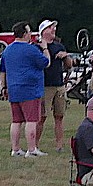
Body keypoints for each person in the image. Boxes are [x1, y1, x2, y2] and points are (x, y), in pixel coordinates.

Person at [0, 21, 51, 157]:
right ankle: (32, 149)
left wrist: (4, 86)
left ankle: (15, 149)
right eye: (29, 32)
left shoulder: (7, 50)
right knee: (31, 120)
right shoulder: (31, 49)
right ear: (24, 34)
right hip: (30, 89)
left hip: (13, 89)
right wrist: (45, 48)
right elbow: (46, 63)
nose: (30, 34)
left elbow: (3, 71)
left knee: (16, 121)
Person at [36, 20, 73, 152]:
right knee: (42, 117)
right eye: (50, 28)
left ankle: (59, 145)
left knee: (59, 116)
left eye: (54, 27)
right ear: (43, 31)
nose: (53, 30)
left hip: (59, 84)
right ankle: (35, 145)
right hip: (45, 85)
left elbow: (69, 65)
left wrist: (66, 57)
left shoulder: (59, 46)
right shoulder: (38, 47)